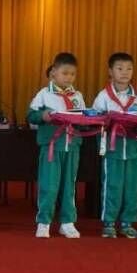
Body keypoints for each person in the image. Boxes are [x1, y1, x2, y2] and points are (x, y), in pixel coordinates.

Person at [91, 53, 137, 239]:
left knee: (132, 187)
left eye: (129, 68)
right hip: (113, 150)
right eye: (120, 68)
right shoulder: (103, 96)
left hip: (134, 149)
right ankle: (109, 222)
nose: (125, 72)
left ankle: (127, 223)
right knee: (112, 185)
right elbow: (95, 121)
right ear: (110, 71)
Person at [27, 52, 86, 239]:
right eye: (65, 73)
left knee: (69, 187)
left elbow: (83, 118)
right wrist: (43, 116)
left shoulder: (77, 96)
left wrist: (87, 119)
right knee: (49, 185)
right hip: (52, 147)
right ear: (54, 72)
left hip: (72, 147)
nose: (69, 78)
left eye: (72, 74)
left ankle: (67, 223)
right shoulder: (44, 95)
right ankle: (44, 222)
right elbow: (31, 116)